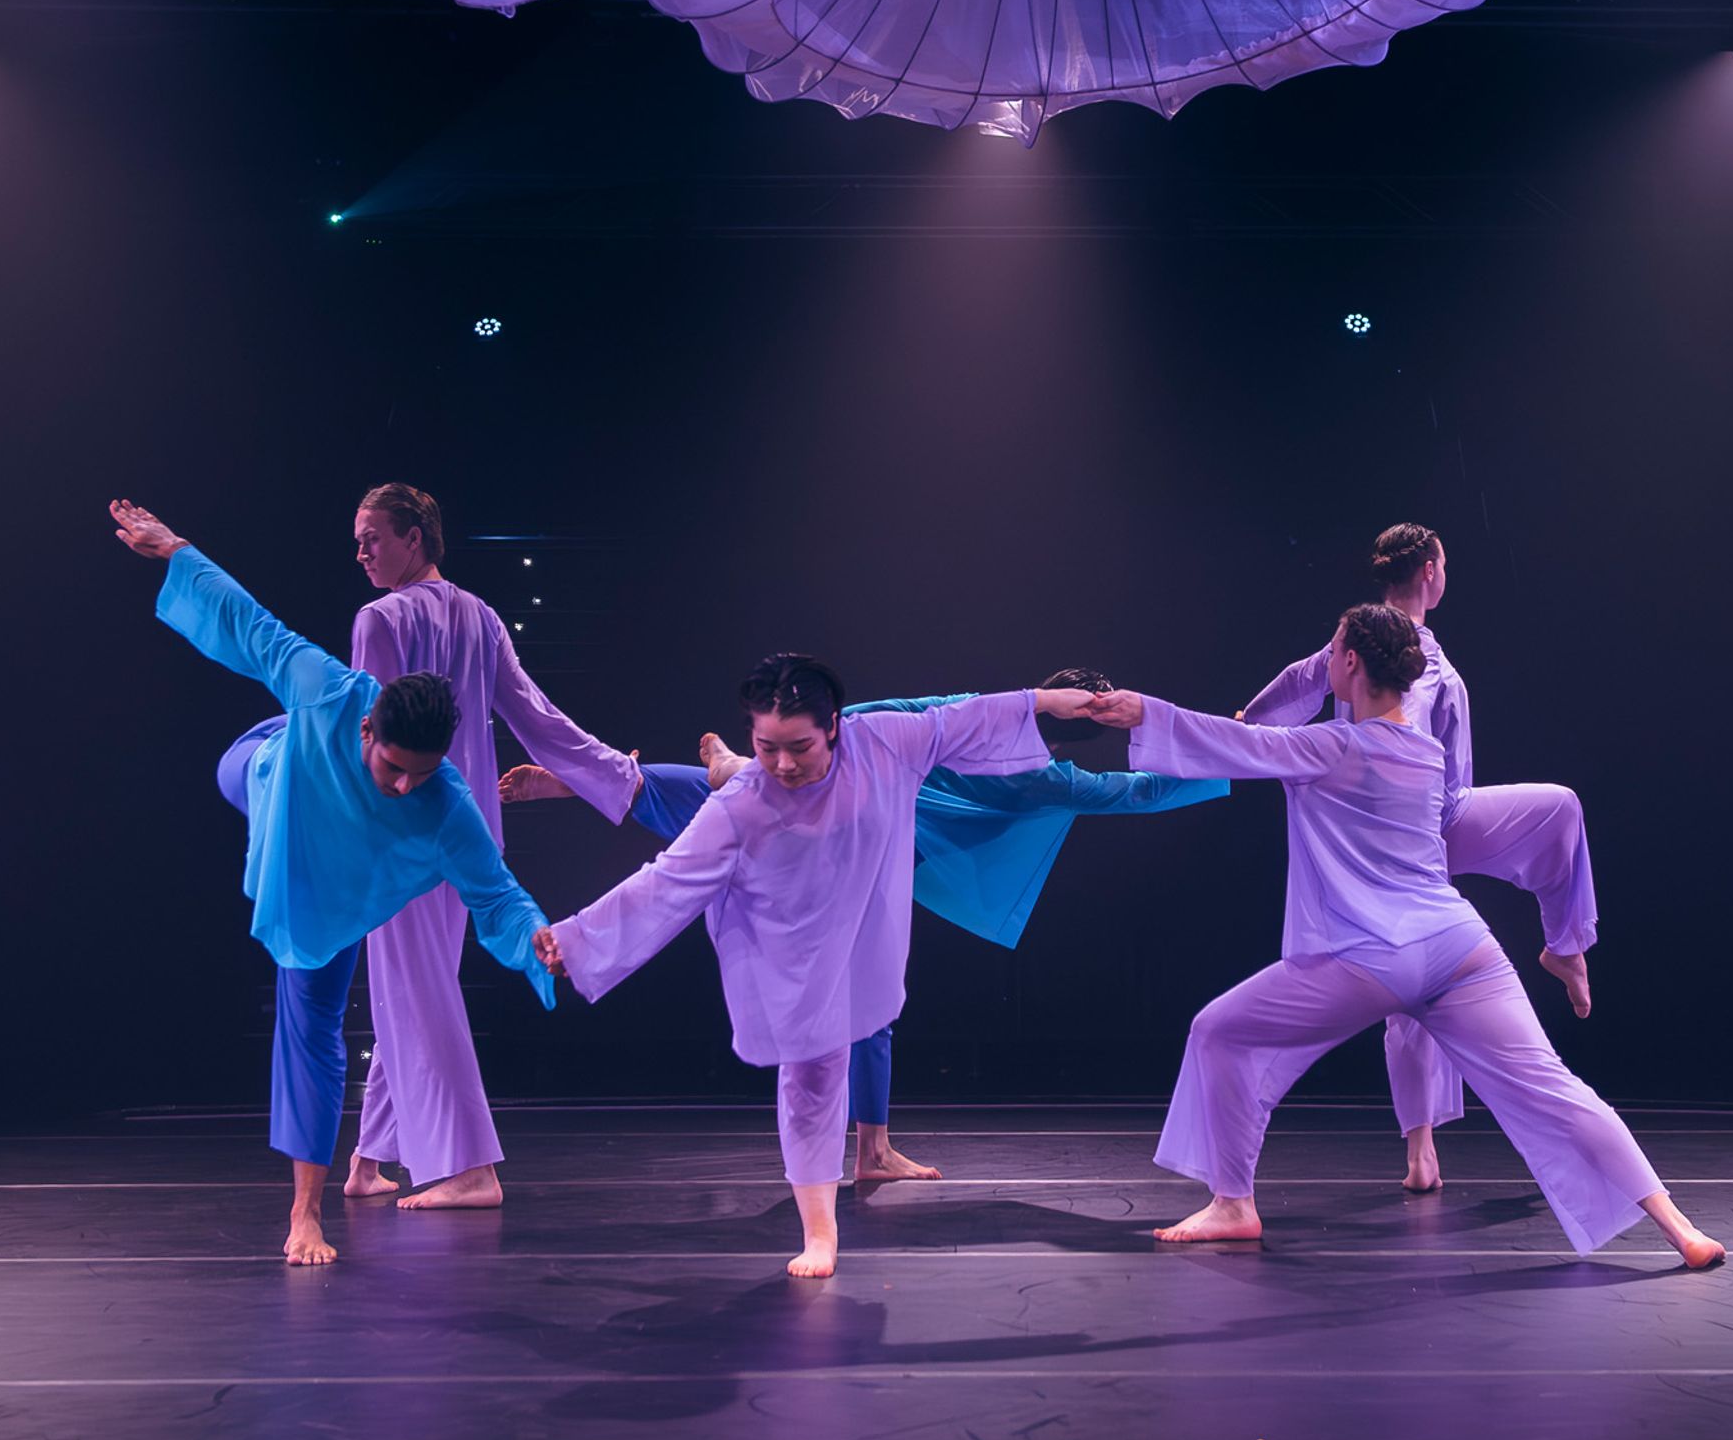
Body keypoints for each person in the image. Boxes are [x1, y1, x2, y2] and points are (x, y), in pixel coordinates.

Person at [1094, 606, 1723, 1267]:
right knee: (1555, 1088)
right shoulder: (1427, 754)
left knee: (1218, 1031)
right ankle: (1681, 1229)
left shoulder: (1334, 745)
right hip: (1460, 950)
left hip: (1370, 959)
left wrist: (1139, 711)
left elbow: (1238, 743)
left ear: (1352, 665)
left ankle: (1233, 1204)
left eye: (1332, 651)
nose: (1325, 661)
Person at [518, 673, 1224, 1183]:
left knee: (849, 976)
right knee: (740, 821)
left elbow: (1122, 784)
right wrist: (1220, 744)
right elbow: (1118, 780)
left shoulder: (1010, 758)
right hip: (857, 827)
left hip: (877, 841)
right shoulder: (958, 742)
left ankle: (873, 1149)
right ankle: (873, 1150)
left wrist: (1225, 745)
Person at [533, 658, 1109, 1277]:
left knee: (852, 1037)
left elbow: (960, 718)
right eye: (766, 749)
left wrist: (1044, 704)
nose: (783, 765)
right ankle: (819, 1234)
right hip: (792, 945)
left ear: (833, 726)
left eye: (799, 747)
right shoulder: (741, 806)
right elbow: (667, 882)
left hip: (862, 929)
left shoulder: (884, 740)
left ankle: (862, 1166)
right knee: (809, 1071)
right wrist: (580, 943)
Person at [109, 497, 556, 1267]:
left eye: (422, 776)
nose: (407, 786)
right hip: (277, 787)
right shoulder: (330, 688)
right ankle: (307, 1213)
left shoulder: (441, 798)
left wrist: (538, 940)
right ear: (368, 728)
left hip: (341, 887)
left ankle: (313, 1209)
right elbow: (248, 623)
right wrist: (175, 547)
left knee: (317, 1030)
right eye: (392, 766)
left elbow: (496, 894)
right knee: (261, 761)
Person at [1242, 523, 1600, 1192]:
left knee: (1559, 808)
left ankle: (1566, 944)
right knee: (1410, 986)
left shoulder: (1398, 646)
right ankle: (1420, 1148)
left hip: (1447, 813)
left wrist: (1252, 721)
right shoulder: (1374, 643)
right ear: (1431, 573)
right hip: (1399, 832)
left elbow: (1302, 679)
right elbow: (1306, 680)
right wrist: (1251, 725)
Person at [341, 481, 641, 1211]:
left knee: (415, 987)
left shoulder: (379, 619)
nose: (361, 551)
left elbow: (372, 736)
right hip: (468, 828)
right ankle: (369, 1158)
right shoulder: (480, 617)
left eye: (372, 536)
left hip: (407, 827)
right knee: (410, 986)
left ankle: (472, 1166)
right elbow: (538, 717)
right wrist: (614, 773)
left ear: (416, 537)